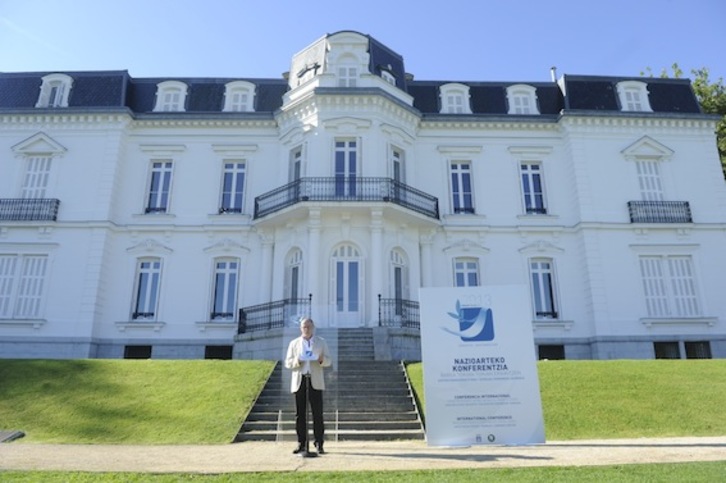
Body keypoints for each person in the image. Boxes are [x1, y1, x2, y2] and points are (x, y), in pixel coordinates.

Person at [284, 317, 332, 454]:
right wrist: (297, 360)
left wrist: (322, 360)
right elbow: (288, 363)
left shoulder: (321, 342)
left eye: (309, 327)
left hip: (315, 380)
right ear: (301, 328)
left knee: (318, 414)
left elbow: (329, 360)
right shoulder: (294, 343)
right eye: (304, 327)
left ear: (313, 328)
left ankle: (319, 443)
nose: (307, 329)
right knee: (300, 415)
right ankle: (301, 443)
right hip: (300, 380)